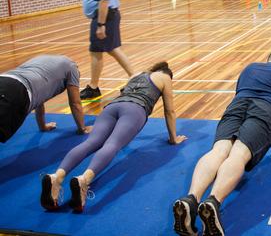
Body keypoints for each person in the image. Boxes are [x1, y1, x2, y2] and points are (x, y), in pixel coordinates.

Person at [172, 52, 271, 236]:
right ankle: (213, 202)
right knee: (239, 155)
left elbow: (241, 95)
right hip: (265, 109)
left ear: (267, 61)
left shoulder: (250, 68)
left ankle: (191, 199)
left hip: (237, 104)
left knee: (219, 151)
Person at [40, 62, 186, 212]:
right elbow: (170, 111)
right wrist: (173, 138)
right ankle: (84, 180)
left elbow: (124, 92)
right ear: (168, 74)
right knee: (113, 144)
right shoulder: (165, 78)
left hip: (112, 107)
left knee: (91, 142)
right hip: (135, 109)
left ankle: (56, 177)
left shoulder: (137, 74)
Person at [74, 0, 134, 99]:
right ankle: (95, 86)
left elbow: (103, 0)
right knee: (102, 50)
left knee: (109, 50)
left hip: (105, 17)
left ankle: (134, 79)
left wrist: (101, 25)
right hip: (106, 17)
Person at [0, 55, 90, 143]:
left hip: (5, 78)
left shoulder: (43, 61)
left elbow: (40, 99)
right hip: (17, 90)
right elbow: (75, 103)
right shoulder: (72, 68)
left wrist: (42, 126)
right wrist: (82, 129)